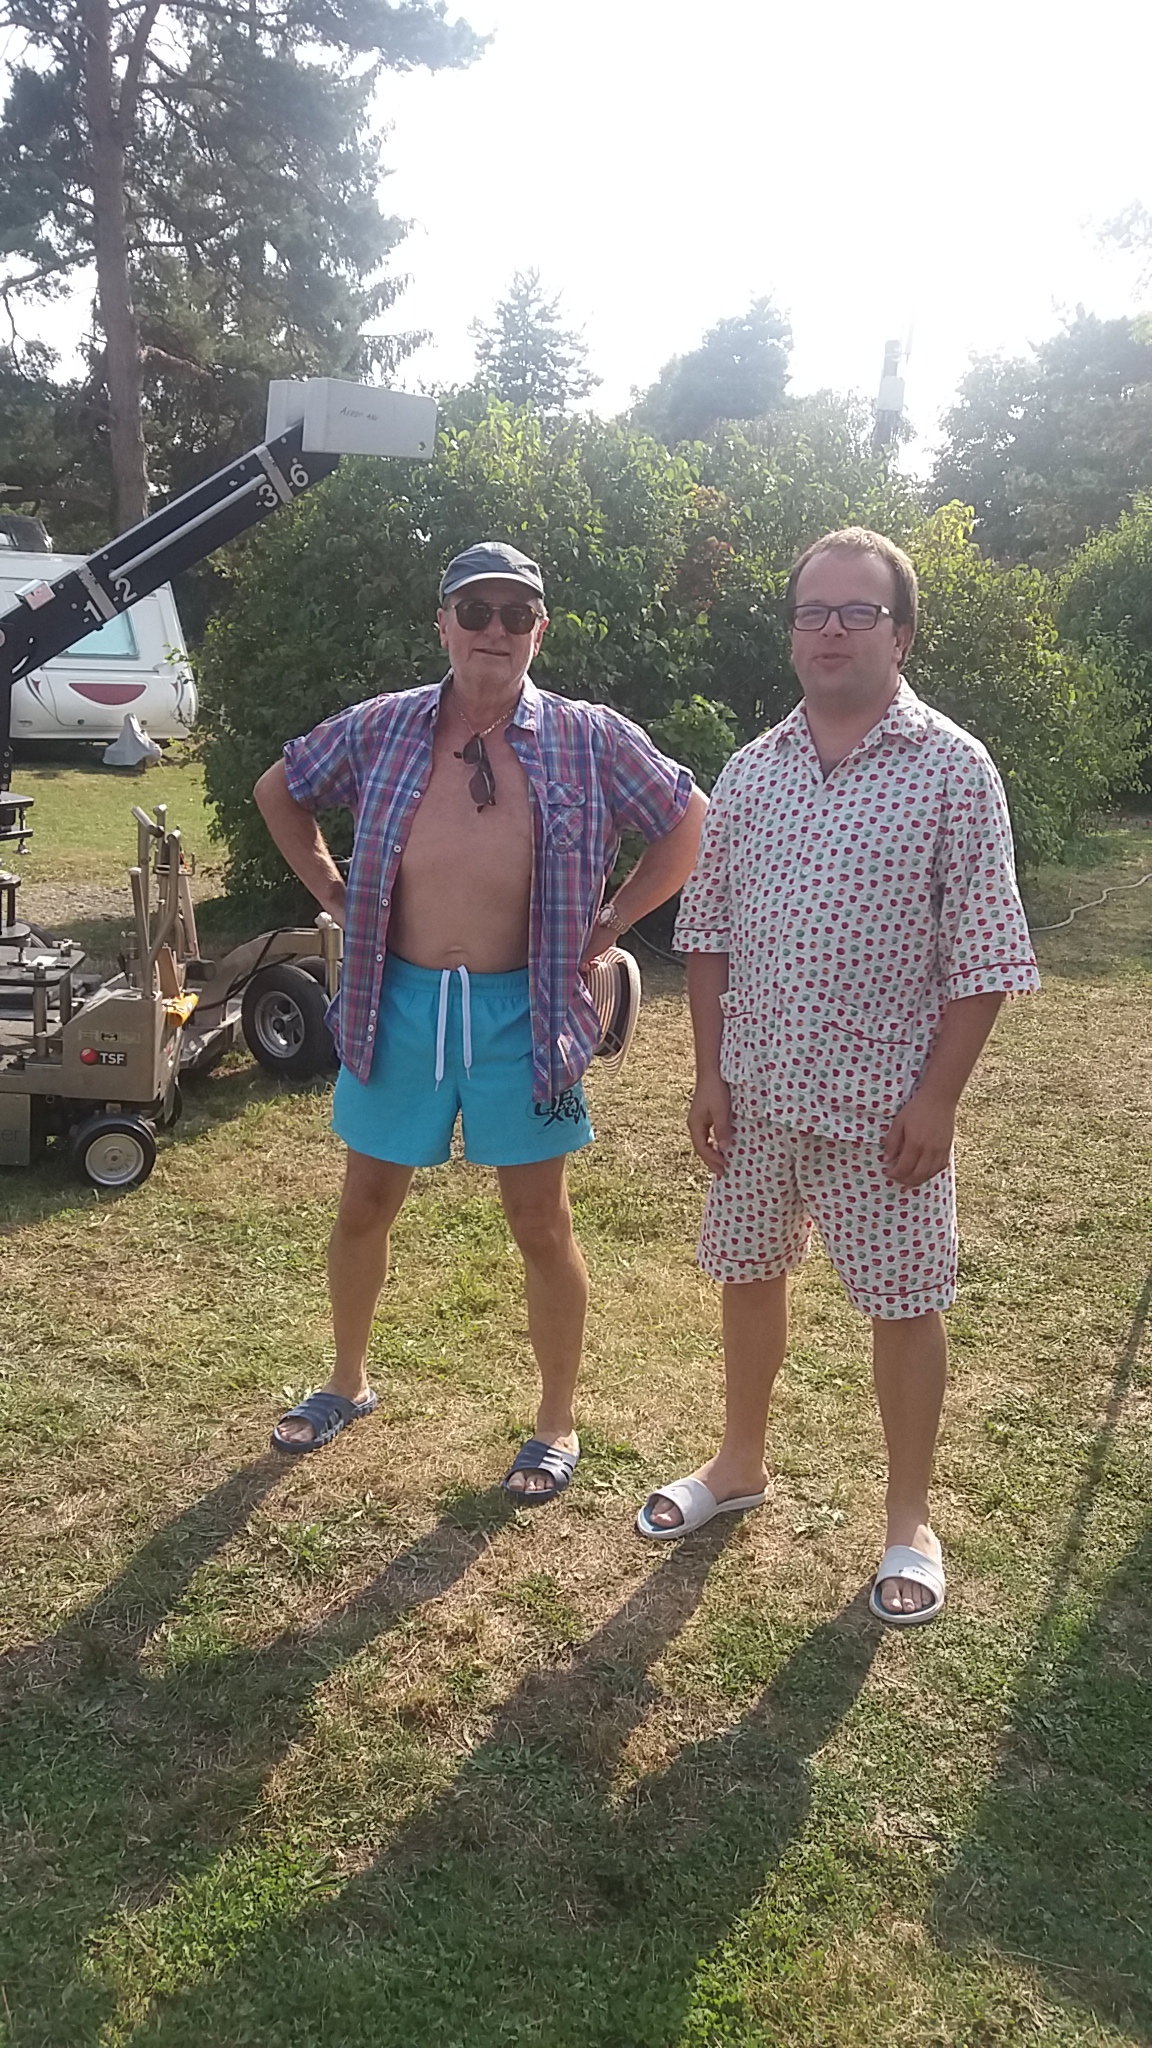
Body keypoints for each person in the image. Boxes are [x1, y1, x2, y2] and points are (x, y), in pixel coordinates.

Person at [637, 527, 1039, 1626]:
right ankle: (738, 1463)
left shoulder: (954, 768)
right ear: (792, 632)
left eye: (858, 612)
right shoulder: (750, 770)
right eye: (813, 610)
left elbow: (985, 953)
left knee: (906, 1304)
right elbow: (709, 932)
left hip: (885, 1108)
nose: (831, 630)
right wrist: (708, 1073)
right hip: (758, 1095)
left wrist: (939, 1099)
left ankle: (910, 1521)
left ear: (900, 635)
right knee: (748, 1272)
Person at [254, 540, 706, 1500]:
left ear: (539, 632)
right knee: (364, 1204)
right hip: (399, 1002)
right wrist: (333, 889)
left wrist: (614, 920)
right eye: (474, 610)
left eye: (514, 614)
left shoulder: (590, 737)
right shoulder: (384, 726)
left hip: (526, 1013)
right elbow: (278, 790)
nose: (492, 630)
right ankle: (346, 1381)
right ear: (444, 625)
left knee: (541, 1220)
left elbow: (687, 818)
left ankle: (555, 1423)